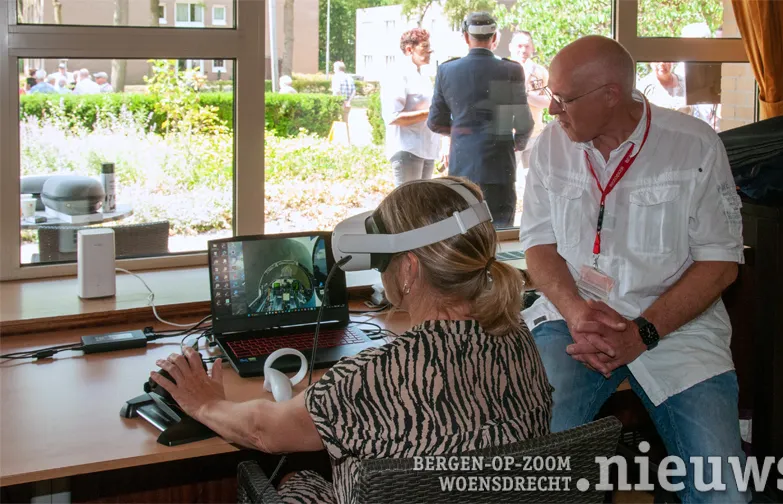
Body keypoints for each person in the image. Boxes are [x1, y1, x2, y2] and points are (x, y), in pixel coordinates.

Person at [149, 177, 554, 504]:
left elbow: (261, 431)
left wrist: (205, 402)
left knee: (296, 478)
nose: (382, 273)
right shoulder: (516, 335)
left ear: (409, 271)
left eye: (383, 262)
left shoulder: (375, 376)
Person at [519, 35, 748, 503]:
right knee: (535, 467)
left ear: (610, 94)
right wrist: (577, 312)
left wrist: (641, 333)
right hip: (573, 321)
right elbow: (538, 246)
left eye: (563, 100)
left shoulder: (694, 147)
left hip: (677, 327)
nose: (552, 111)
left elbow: (721, 265)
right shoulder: (550, 148)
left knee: (723, 491)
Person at [428, 12, 533, 228]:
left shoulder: (447, 70)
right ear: (495, 38)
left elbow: (435, 121)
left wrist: (461, 131)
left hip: (462, 168)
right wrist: (517, 143)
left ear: (466, 37)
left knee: (465, 235)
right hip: (500, 167)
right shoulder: (511, 70)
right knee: (500, 234)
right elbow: (524, 123)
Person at [380, 28, 440, 184]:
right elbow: (392, 117)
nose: (430, 50)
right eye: (425, 46)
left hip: (427, 149)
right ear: (409, 49)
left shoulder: (423, 76)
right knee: (408, 205)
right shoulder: (397, 74)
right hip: (407, 149)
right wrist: (431, 112)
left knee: (421, 205)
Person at [508, 30, 550, 172]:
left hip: (535, 134)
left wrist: (525, 96)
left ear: (532, 48)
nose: (523, 50)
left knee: (533, 180)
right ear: (511, 47)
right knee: (509, 178)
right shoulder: (502, 70)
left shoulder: (540, 71)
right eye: (519, 46)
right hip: (510, 135)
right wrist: (525, 76)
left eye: (527, 46)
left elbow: (549, 101)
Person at [331, 61, 355, 144]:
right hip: (348, 104)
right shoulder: (349, 77)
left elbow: (337, 91)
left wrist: (344, 101)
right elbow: (354, 91)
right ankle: (347, 141)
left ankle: (338, 142)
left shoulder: (336, 77)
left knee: (336, 122)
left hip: (339, 103)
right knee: (346, 123)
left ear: (337, 68)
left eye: (334, 68)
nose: (333, 69)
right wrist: (348, 101)